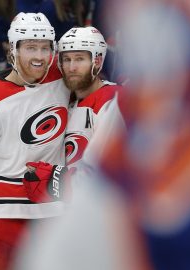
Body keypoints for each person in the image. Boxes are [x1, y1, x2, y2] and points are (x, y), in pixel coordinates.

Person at [0, 12, 70, 270]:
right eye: (31, 47)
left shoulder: (63, 77)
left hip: (52, 214)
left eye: (45, 48)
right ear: (13, 49)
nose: (39, 56)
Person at [21, 25, 124, 204]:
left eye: (79, 59)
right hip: (72, 211)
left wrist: (54, 182)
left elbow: (109, 173)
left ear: (97, 62)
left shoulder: (111, 99)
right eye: (66, 59)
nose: (72, 67)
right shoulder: (65, 104)